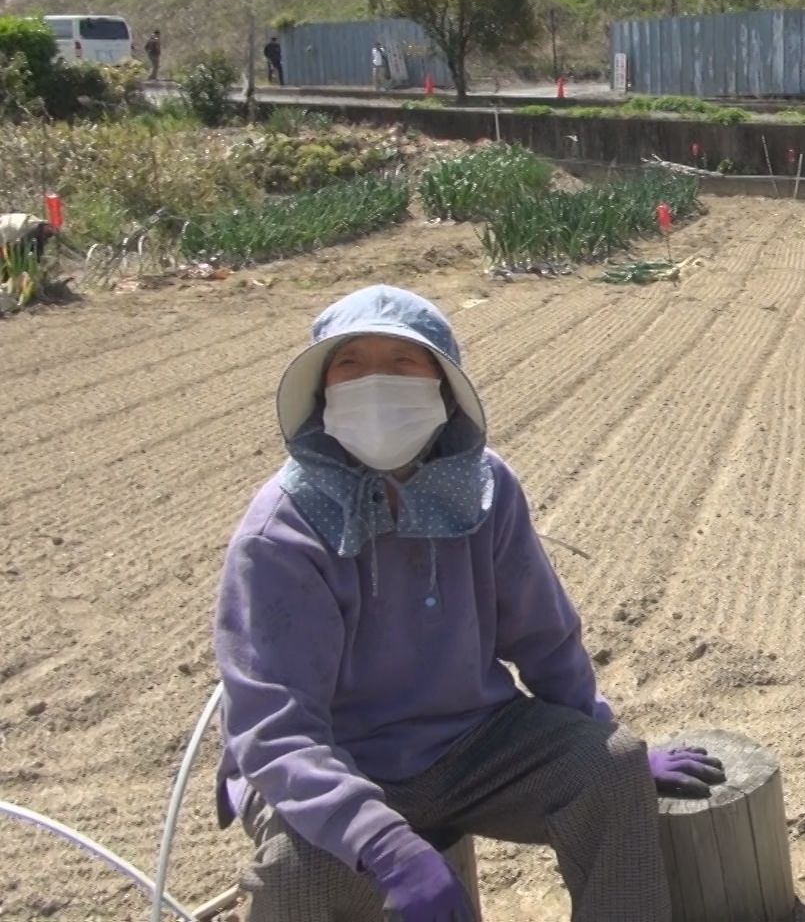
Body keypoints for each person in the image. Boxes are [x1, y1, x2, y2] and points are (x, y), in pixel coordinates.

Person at [213, 285, 725, 921]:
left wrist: (599, 739)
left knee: (612, 770)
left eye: (404, 362)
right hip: (339, 761)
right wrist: (384, 844)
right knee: (301, 871)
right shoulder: (282, 532)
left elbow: (544, 636)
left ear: (442, 387)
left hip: (471, 741)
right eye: (351, 364)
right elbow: (275, 731)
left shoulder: (485, 488)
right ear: (322, 393)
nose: (377, 382)